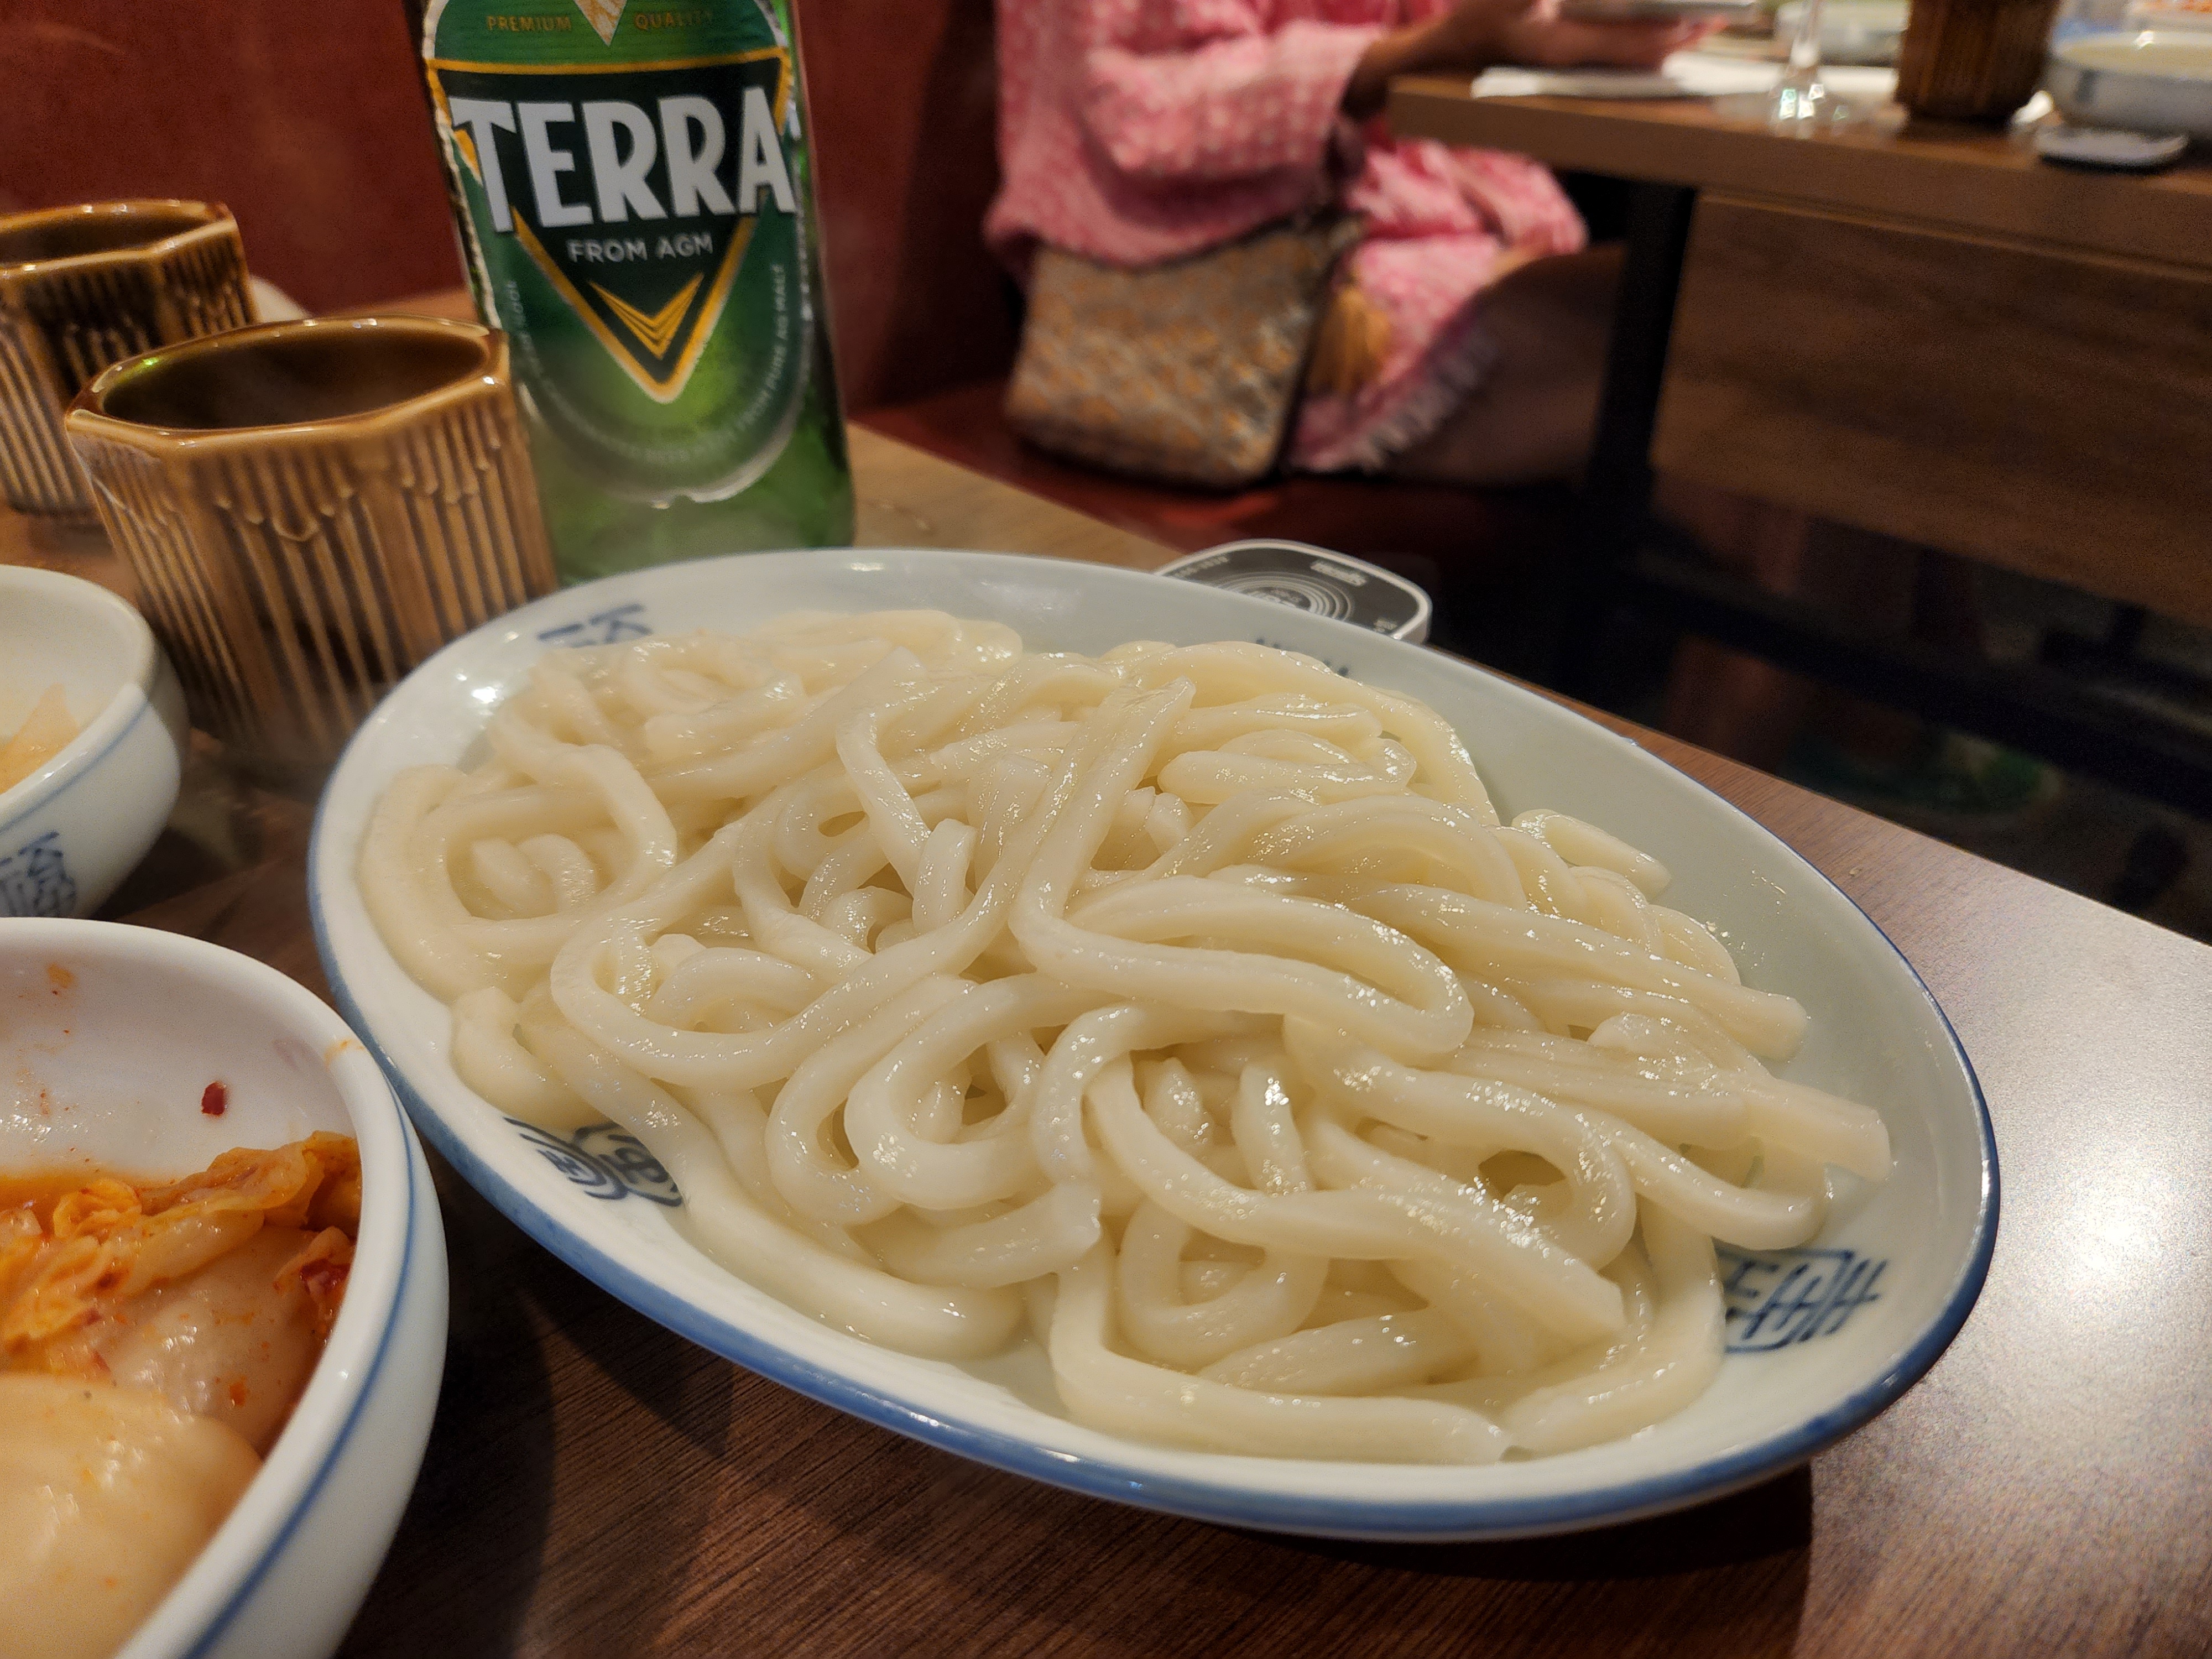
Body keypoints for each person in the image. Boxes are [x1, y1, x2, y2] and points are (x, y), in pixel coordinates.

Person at [985, 0, 1711, 487]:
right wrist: (1438, 46)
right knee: (1721, 348)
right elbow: (1148, 105)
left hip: (1425, 231)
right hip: (1242, 271)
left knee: (1735, 309)